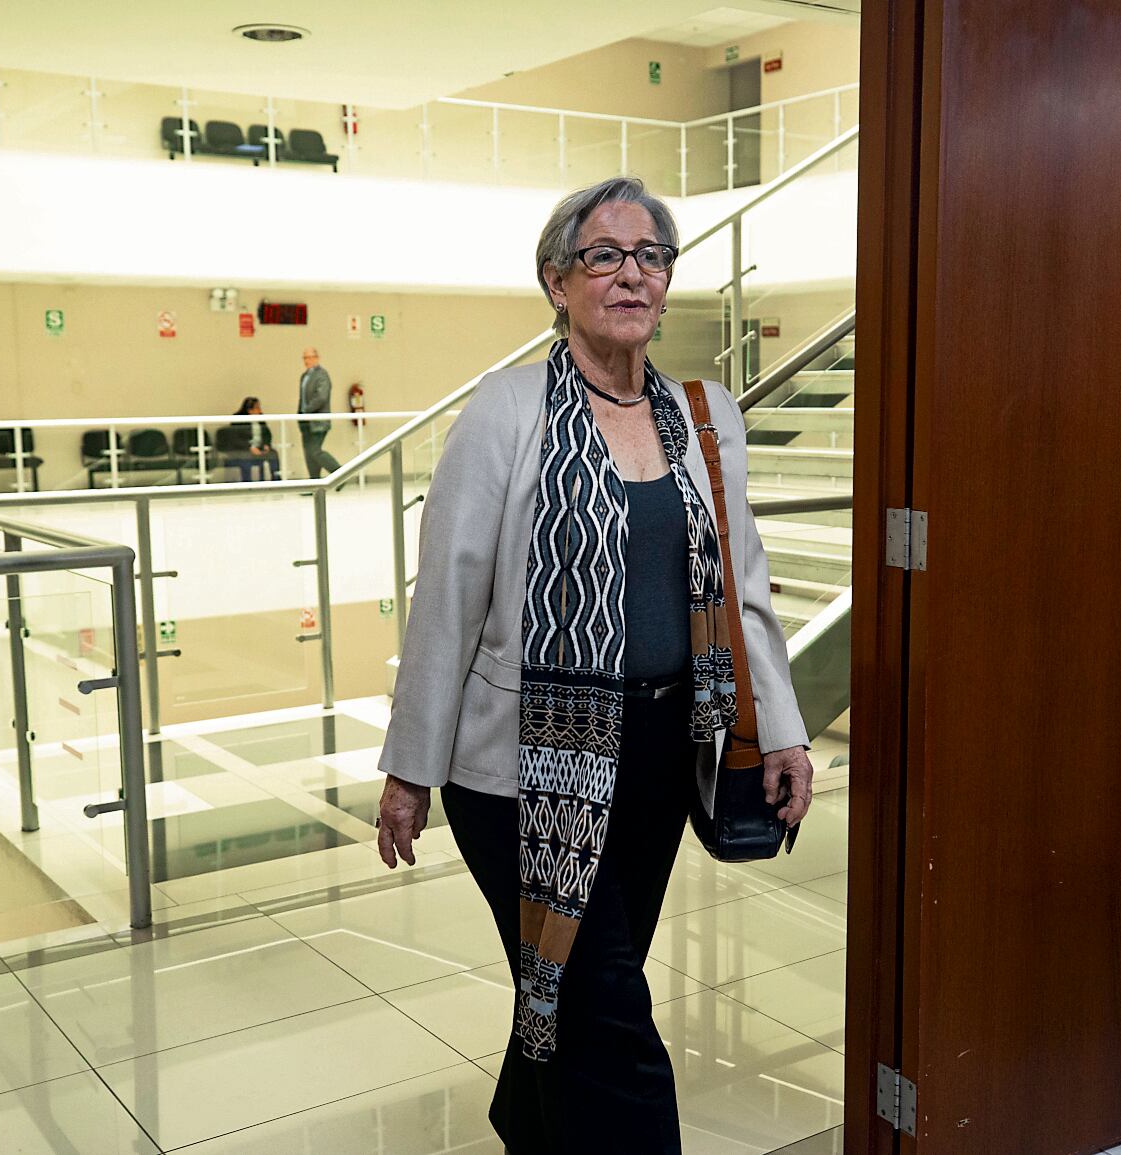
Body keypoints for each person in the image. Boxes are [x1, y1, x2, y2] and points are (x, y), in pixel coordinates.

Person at [374, 177, 814, 1154]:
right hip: (523, 769)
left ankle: (525, 1125)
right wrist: (411, 767)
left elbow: (742, 586)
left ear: (667, 282)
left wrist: (779, 726)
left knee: (571, 986)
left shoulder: (706, 416)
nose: (630, 273)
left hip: (661, 755)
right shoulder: (505, 412)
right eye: (603, 255)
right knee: (608, 1006)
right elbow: (446, 593)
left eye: (649, 254)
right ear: (556, 281)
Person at [296, 347, 341, 478]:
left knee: (314, 451)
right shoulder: (304, 376)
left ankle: (340, 474)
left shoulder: (322, 374)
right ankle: (314, 483)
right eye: (304, 357)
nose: (306, 360)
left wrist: (306, 410)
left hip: (318, 421)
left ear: (316, 358)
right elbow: (302, 398)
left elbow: (321, 397)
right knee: (308, 453)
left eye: (309, 357)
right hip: (305, 422)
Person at [231, 396, 279, 481]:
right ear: (250, 409)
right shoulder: (237, 419)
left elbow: (267, 434)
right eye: (257, 407)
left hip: (260, 446)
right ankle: (247, 482)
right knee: (245, 458)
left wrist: (266, 444)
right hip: (244, 449)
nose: (259, 410)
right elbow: (236, 438)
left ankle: (276, 479)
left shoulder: (261, 418)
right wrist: (250, 447)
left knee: (273, 454)